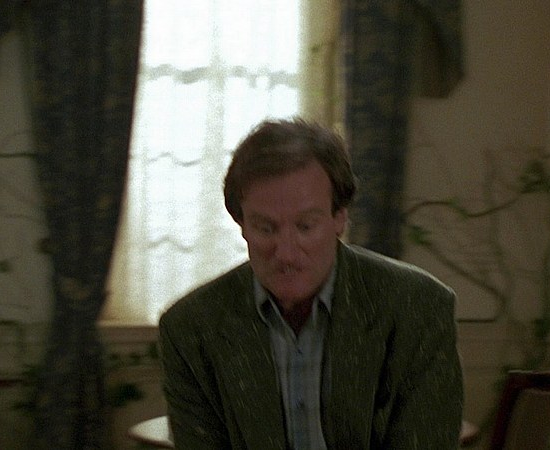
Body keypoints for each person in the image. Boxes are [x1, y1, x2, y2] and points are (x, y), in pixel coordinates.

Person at [159, 118, 463, 449]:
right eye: (265, 228)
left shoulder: (417, 307)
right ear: (241, 223)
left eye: (305, 226)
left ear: (340, 217)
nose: (286, 253)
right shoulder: (191, 329)